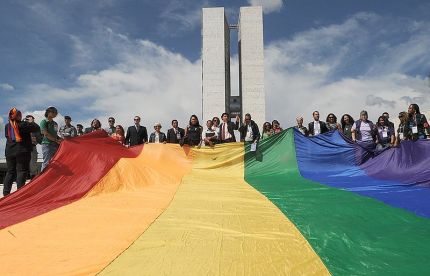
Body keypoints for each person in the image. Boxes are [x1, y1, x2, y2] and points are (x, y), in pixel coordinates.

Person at [3, 108, 41, 196]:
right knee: (22, 171)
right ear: (18, 116)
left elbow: (7, 136)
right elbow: (36, 128)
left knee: (10, 172)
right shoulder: (23, 125)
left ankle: (6, 193)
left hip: (9, 152)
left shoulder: (7, 126)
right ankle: (19, 194)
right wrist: (31, 121)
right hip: (22, 151)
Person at [40, 106, 62, 172]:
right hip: (47, 144)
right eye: (54, 112)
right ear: (49, 112)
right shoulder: (44, 122)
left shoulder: (55, 124)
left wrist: (62, 140)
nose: (56, 114)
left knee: (56, 162)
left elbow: (55, 134)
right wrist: (56, 140)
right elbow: (45, 133)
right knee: (46, 163)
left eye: (56, 113)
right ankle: (42, 178)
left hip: (55, 145)